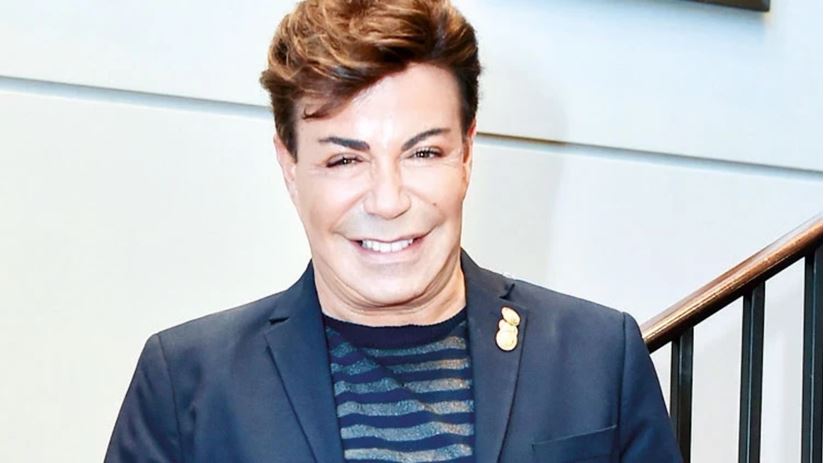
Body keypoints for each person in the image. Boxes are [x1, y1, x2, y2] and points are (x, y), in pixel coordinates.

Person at [105, 0, 681, 461]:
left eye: (423, 152)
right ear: (290, 167)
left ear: (466, 155)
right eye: (344, 160)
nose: (388, 201)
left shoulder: (599, 355)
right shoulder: (188, 382)